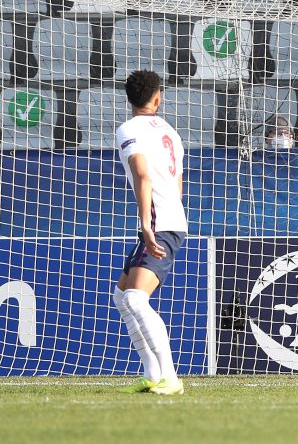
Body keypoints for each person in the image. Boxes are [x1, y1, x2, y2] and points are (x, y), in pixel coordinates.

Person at [113, 70, 187, 395]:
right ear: (158, 98)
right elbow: (178, 185)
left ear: (130, 98)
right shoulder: (171, 132)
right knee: (122, 295)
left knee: (134, 297)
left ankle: (170, 377)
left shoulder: (128, 129)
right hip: (170, 218)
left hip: (157, 222)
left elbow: (142, 174)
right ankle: (152, 373)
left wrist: (146, 223)